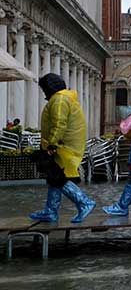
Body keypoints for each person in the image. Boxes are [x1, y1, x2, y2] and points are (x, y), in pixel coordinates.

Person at [28, 74, 95, 223]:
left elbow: (59, 124)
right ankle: (51, 211)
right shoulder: (64, 98)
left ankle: (84, 202)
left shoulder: (59, 100)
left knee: (58, 178)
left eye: (44, 89)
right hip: (63, 145)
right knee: (54, 179)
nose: (43, 92)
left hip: (61, 146)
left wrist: (51, 144)